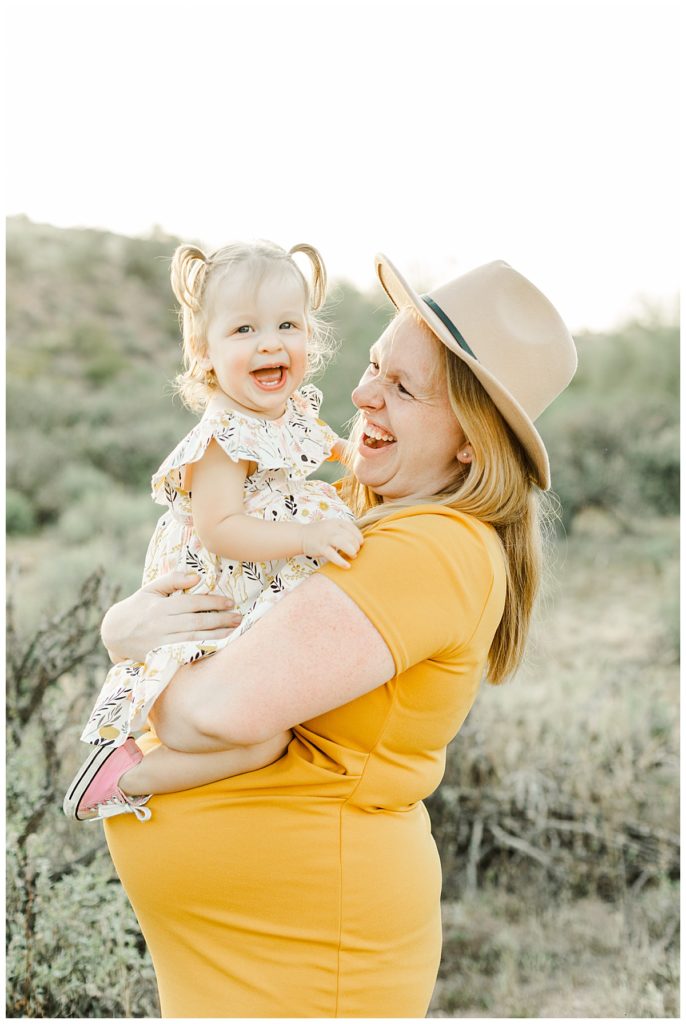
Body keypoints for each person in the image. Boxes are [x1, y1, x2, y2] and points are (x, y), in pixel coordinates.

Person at [95, 253, 577, 1018]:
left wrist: (132, 649)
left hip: (312, 962)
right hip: (253, 957)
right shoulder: (355, 506)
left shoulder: (431, 549)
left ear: (470, 441)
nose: (360, 392)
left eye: (401, 387)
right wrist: (125, 625)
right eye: (375, 366)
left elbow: (202, 715)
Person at [63, 239, 362, 823]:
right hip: (204, 642)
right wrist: (306, 538)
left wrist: (357, 459)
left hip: (238, 641)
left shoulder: (292, 409)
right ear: (204, 352)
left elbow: (328, 445)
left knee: (274, 734)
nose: (270, 342)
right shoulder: (223, 438)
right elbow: (222, 528)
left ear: (310, 336)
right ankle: (124, 774)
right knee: (267, 740)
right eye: (244, 330)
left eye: (287, 325)